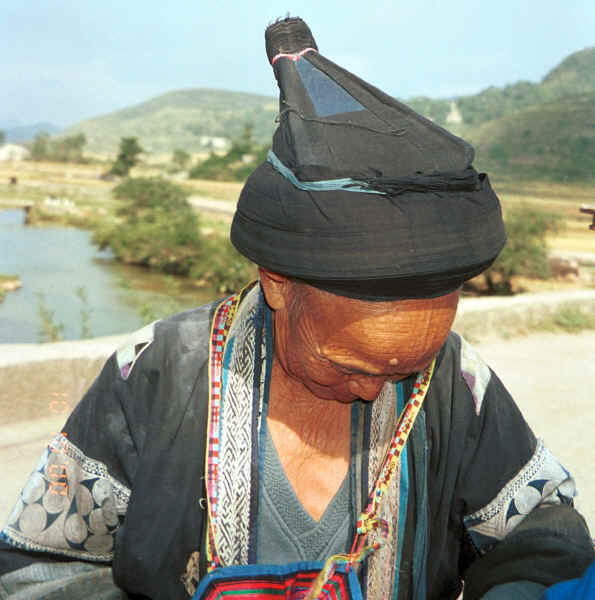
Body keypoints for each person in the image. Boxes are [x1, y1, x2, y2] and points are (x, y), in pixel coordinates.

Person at [1, 17, 593, 600]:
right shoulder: (159, 372)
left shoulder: (456, 384)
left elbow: (543, 534)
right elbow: (36, 570)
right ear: (279, 283)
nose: (373, 390)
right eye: (350, 364)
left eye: (404, 368)